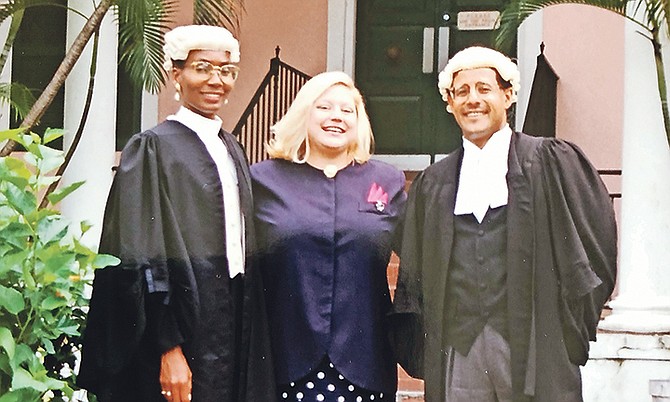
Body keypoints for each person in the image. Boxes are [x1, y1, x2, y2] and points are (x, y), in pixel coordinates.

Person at [390, 46, 617, 402]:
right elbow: (416, 268)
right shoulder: (434, 183)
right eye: (461, 92)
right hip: (459, 349)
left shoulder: (547, 162)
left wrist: (564, 327)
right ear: (449, 103)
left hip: (535, 348)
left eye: (484, 88)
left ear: (508, 95)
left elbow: (594, 243)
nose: (472, 100)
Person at [77, 25, 275, 402]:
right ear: (176, 75)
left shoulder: (230, 148)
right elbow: (139, 256)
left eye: (227, 70)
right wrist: (168, 347)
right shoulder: (152, 148)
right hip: (183, 321)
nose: (216, 80)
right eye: (203, 68)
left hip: (232, 316)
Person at [251, 71, 406, 402]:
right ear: (303, 113)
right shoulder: (263, 180)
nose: (336, 116)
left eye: (347, 110)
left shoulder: (386, 181)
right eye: (324, 107)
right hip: (285, 360)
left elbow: (422, 259)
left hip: (365, 362)